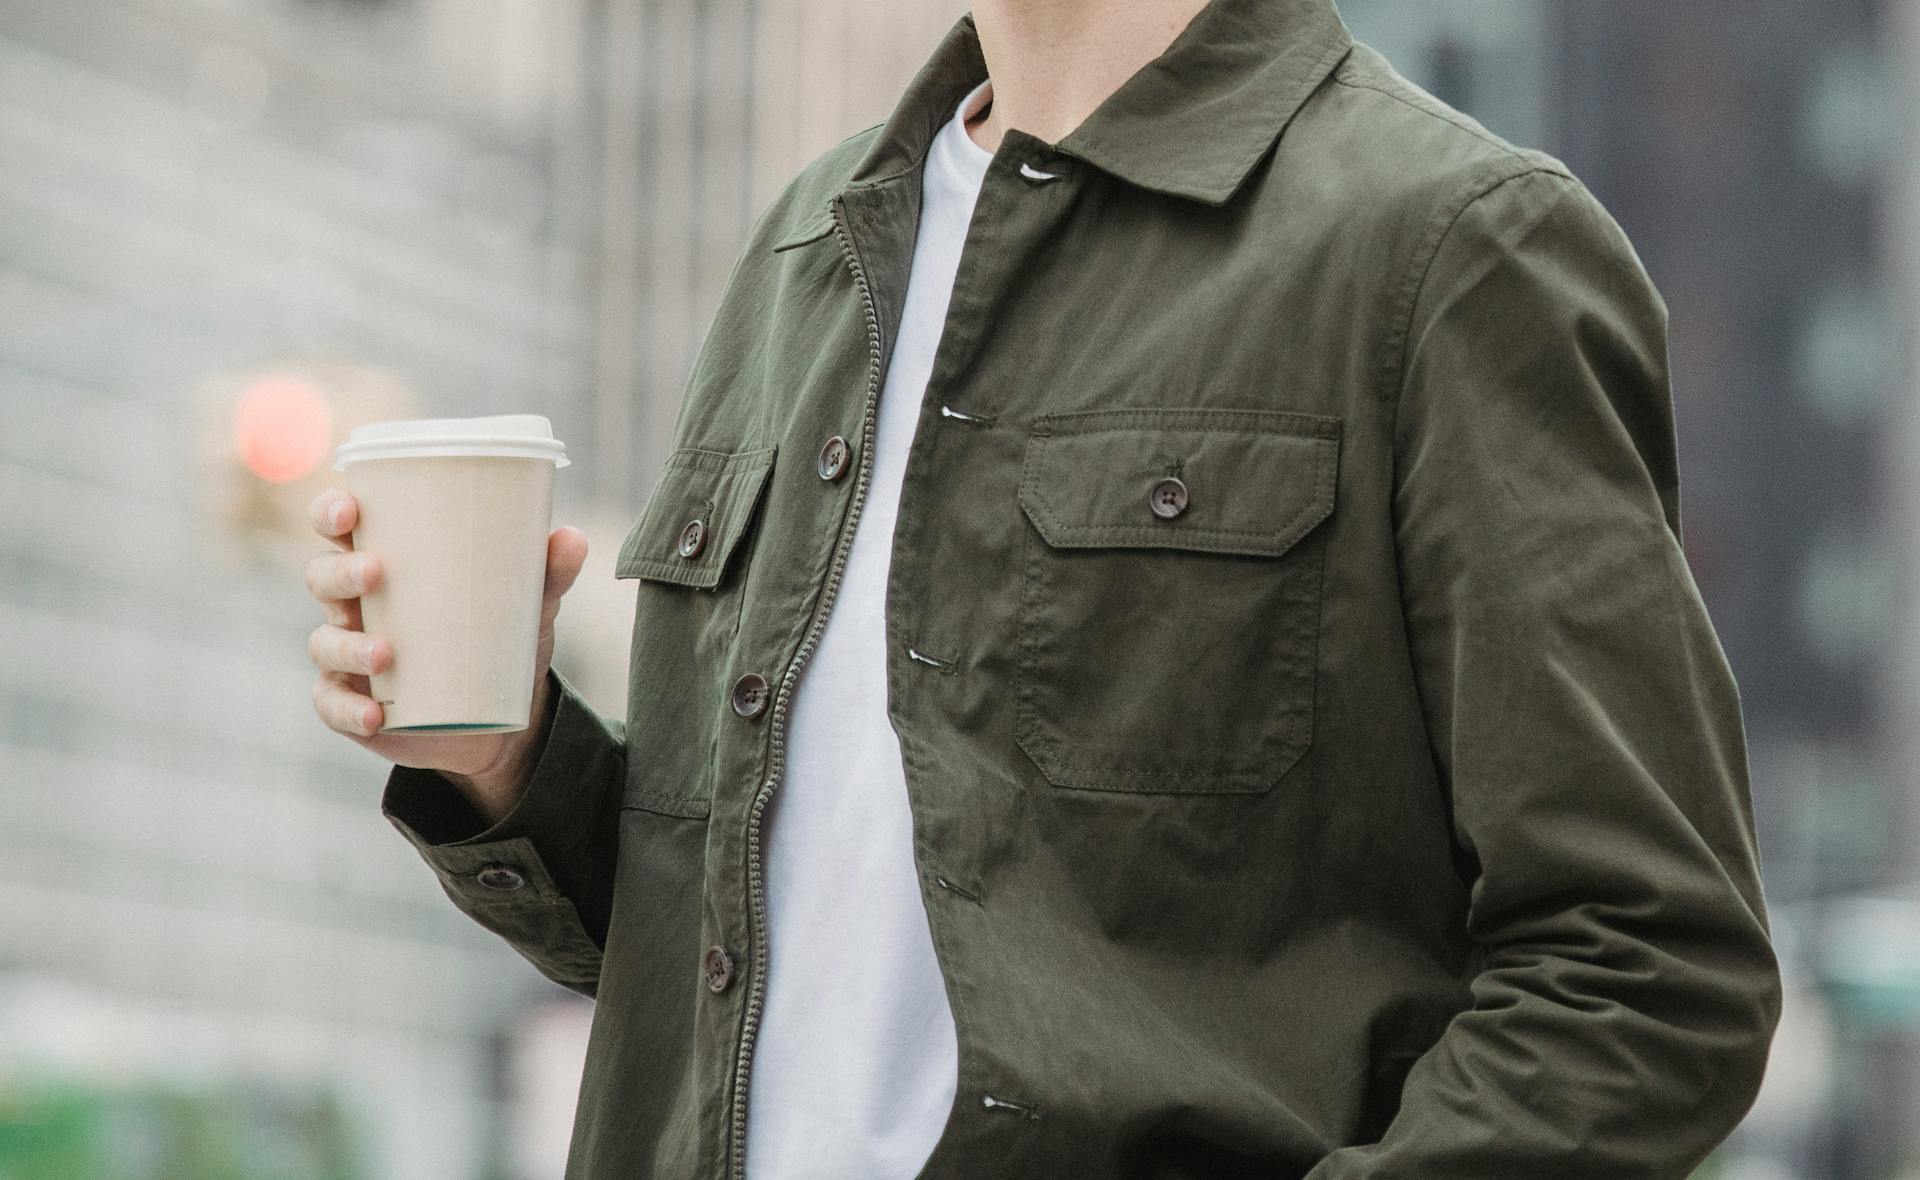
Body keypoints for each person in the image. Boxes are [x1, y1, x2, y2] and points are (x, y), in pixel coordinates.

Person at [303, 0, 1782, 1175]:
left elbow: (1651, 970)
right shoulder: (812, 251)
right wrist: (502, 771)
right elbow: (756, 962)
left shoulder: (1449, 250)